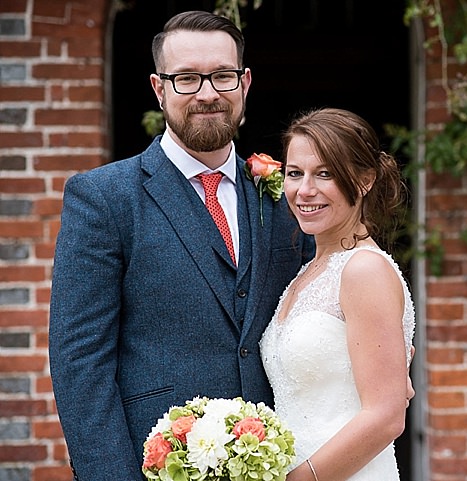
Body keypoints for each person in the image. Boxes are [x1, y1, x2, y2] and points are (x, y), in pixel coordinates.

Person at [48, 11, 315, 481]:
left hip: (284, 460)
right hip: (155, 465)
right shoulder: (105, 198)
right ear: (159, 88)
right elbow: (80, 362)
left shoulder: (285, 196)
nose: (208, 93)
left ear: (245, 82)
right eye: (187, 78)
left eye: (222, 76)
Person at [260, 107, 416, 481]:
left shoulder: (364, 270)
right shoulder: (307, 274)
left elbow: (385, 417)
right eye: (295, 173)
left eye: (325, 174)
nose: (305, 190)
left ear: (364, 180)